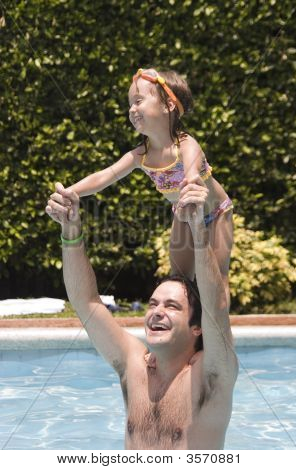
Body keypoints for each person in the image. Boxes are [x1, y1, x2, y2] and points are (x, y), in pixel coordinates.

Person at [45, 178, 238, 450]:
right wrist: (70, 230)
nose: (157, 312)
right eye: (152, 304)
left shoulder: (211, 375)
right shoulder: (133, 364)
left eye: (171, 306)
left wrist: (198, 231)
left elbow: (215, 308)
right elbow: (86, 302)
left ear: (198, 327)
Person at [58, 68, 233, 299]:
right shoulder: (140, 156)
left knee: (218, 282)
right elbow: (104, 176)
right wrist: (70, 191)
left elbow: (192, 171)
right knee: (179, 282)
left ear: (168, 105)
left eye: (138, 100)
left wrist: (191, 179)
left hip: (217, 214)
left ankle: (218, 333)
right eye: (130, 103)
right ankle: (188, 331)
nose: (132, 109)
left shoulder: (186, 145)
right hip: (183, 214)